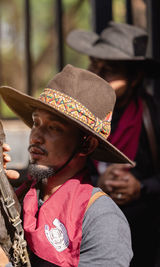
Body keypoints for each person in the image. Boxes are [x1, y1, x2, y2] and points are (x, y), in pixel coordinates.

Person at [0, 64, 133, 266]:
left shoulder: (102, 218)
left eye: (53, 128)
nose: (36, 136)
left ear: (86, 144)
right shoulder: (14, 197)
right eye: (36, 122)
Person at [67, 21, 160, 267]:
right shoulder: (81, 115)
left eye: (108, 71)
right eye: (94, 67)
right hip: (89, 232)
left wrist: (141, 186)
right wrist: (97, 185)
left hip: (145, 237)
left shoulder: (152, 115)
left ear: (135, 77)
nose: (96, 76)